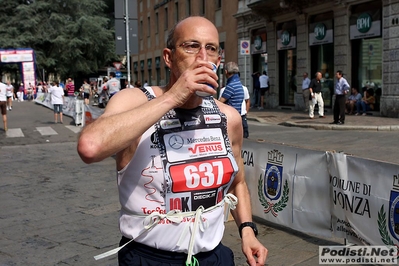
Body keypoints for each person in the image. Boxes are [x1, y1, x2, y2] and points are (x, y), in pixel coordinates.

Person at [77, 16, 267, 266]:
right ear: (169, 57)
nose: (202, 57)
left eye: (211, 49)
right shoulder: (134, 100)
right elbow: (90, 147)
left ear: (218, 62)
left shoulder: (228, 117)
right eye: (191, 46)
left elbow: (237, 182)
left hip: (213, 257)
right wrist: (175, 96)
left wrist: (247, 230)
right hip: (149, 257)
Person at [219, 70, 249, 138]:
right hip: (233, 116)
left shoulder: (242, 88)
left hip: (239, 116)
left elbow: (247, 100)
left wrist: (246, 112)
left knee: (242, 135)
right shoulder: (225, 89)